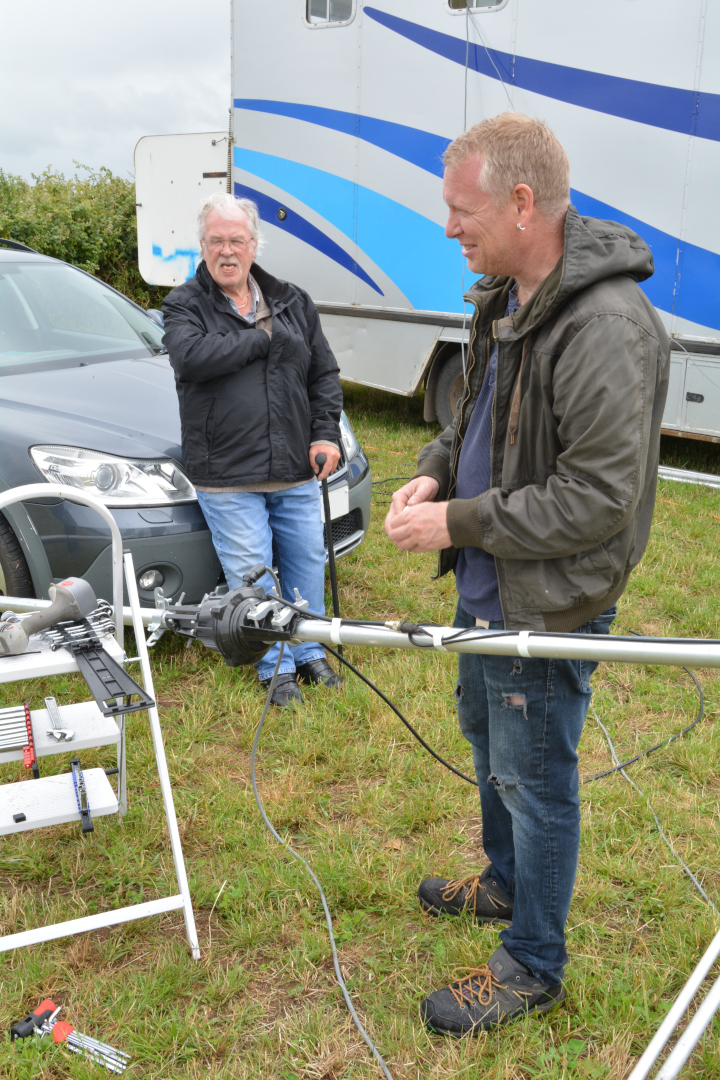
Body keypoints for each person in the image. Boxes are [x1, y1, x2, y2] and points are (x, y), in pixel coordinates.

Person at [384, 114, 669, 1036]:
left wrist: (454, 521)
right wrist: (434, 465)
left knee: (536, 773)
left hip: (546, 599)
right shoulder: (506, 296)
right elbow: (475, 418)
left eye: (461, 210)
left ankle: (534, 963)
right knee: (489, 740)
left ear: (520, 201)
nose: (448, 227)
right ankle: (505, 885)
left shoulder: (605, 325)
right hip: (491, 587)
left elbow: (596, 500)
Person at [163, 192, 343, 706]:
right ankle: (274, 667)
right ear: (202, 246)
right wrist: (263, 339)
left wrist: (324, 432)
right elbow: (193, 357)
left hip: (294, 468)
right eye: (216, 240)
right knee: (253, 574)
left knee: (307, 561)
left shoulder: (291, 300)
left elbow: (323, 373)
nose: (226, 251)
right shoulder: (184, 305)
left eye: (236, 240)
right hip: (227, 474)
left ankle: (309, 652)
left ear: (253, 244)